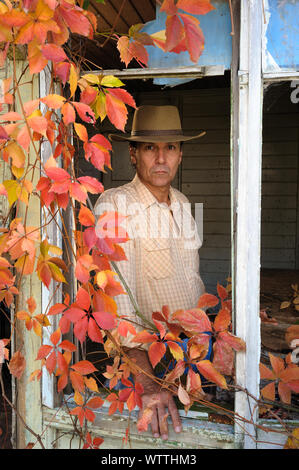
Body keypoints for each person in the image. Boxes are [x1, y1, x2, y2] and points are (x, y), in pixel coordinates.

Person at [95, 105, 206, 441]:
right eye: (149, 147)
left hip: (190, 362)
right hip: (145, 366)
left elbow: (192, 282)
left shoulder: (185, 204)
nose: (161, 159)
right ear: (133, 153)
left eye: (170, 148)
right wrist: (146, 382)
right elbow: (118, 307)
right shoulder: (113, 205)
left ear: (180, 155)